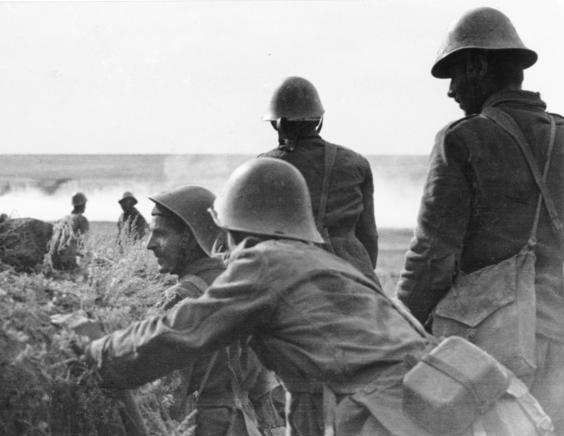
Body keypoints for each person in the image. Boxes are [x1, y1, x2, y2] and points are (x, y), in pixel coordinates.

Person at [75, 158, 552, 436]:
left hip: (396, 415)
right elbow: (313, 382)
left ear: (237, 227)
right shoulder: (327, 263)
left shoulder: (264, 263)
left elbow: (183, 330)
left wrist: (97, 350)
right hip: (457, 400)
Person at [396, 7, 563, 432]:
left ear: (477, 66)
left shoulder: (463, 138)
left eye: (454, 74)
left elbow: (432, 257)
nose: (451, 90)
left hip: (495, 351)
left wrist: (398, 329)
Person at [147, 185, 283, 436]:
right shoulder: (241, 287)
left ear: (187, 237)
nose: (149, 244)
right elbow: (264, 387)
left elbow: (164, 398)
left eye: (160, 233)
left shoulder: (179, 299)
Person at [260, 77, 379, 284]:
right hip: (354, 272)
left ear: (278, 124)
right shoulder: (356, 162)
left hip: (294, 273)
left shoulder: (266, 166)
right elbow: (368, 234)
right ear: (318, 120)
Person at [51, 192, 90, 270]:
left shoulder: (62, 219)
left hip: (54, 260)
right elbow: (83, 242)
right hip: (69, 260)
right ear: (83, 205)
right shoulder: (81, 219)